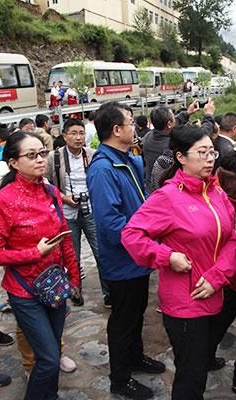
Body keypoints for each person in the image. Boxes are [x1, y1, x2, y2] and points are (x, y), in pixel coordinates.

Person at [122, 125, 236, 400]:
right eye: (202, 152)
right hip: (185, 302)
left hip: (214, 292)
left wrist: (217, 276)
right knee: (191, 376)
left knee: (198, 369)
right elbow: (131, 235)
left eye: (212, 151)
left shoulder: (216, 192)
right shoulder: (167, 197)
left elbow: (233, 240)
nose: (211, 158)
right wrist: (167, 256)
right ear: (181, 157)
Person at [0, 131, 81, 400]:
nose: (40, 160)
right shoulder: (3, 201)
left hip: (55, 286)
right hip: (24, 292)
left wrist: (74, 278)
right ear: (13, 162)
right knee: (48, 358)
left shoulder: (50, 191)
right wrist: (33, 253)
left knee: (52, 355)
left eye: (42, 153)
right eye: (31, 155)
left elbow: (64, 239)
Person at [86, 102, 165, 400]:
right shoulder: (104, 169)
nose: (135, 127)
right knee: (122, 319)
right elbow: (110, 223)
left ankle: (136, 357)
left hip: (136, 257)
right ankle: (120, 379)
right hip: (123, 260)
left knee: (135, 313)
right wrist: (145, 242)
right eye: (130, 122)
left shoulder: (126, 159)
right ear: (116, 130)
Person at [46, 118, 110, 307]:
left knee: (101, 253)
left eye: (81, 133)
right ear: (64, 136)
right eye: (73, 133)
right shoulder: (54, 157)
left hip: (90, 210)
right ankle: (75, 292)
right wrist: (64, 198)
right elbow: (46, 184)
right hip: (67, 214)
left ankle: (108, 294)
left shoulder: (92, 155)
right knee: (72, 257)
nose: (78, 137)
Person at [142, 100, 214, 192]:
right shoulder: (173, 144)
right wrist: (209, 115)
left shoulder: (148, 137)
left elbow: (173, 126)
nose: (176, 119)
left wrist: (187, 113)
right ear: (169, 124)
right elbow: (201, 136)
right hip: (171, 191)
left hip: (151, 188)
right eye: (173, 117)